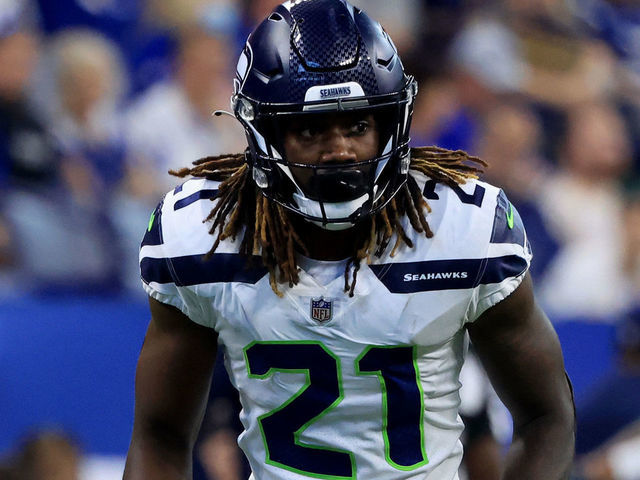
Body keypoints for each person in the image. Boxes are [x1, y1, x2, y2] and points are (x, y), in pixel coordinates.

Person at [124, 1, 576, 479]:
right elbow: (160, 433)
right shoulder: (208, 238)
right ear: (264, 134)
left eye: (358, 125)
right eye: (311, 128)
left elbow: (547, 417)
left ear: (390, 124)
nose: (339, 148)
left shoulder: (462, 230)